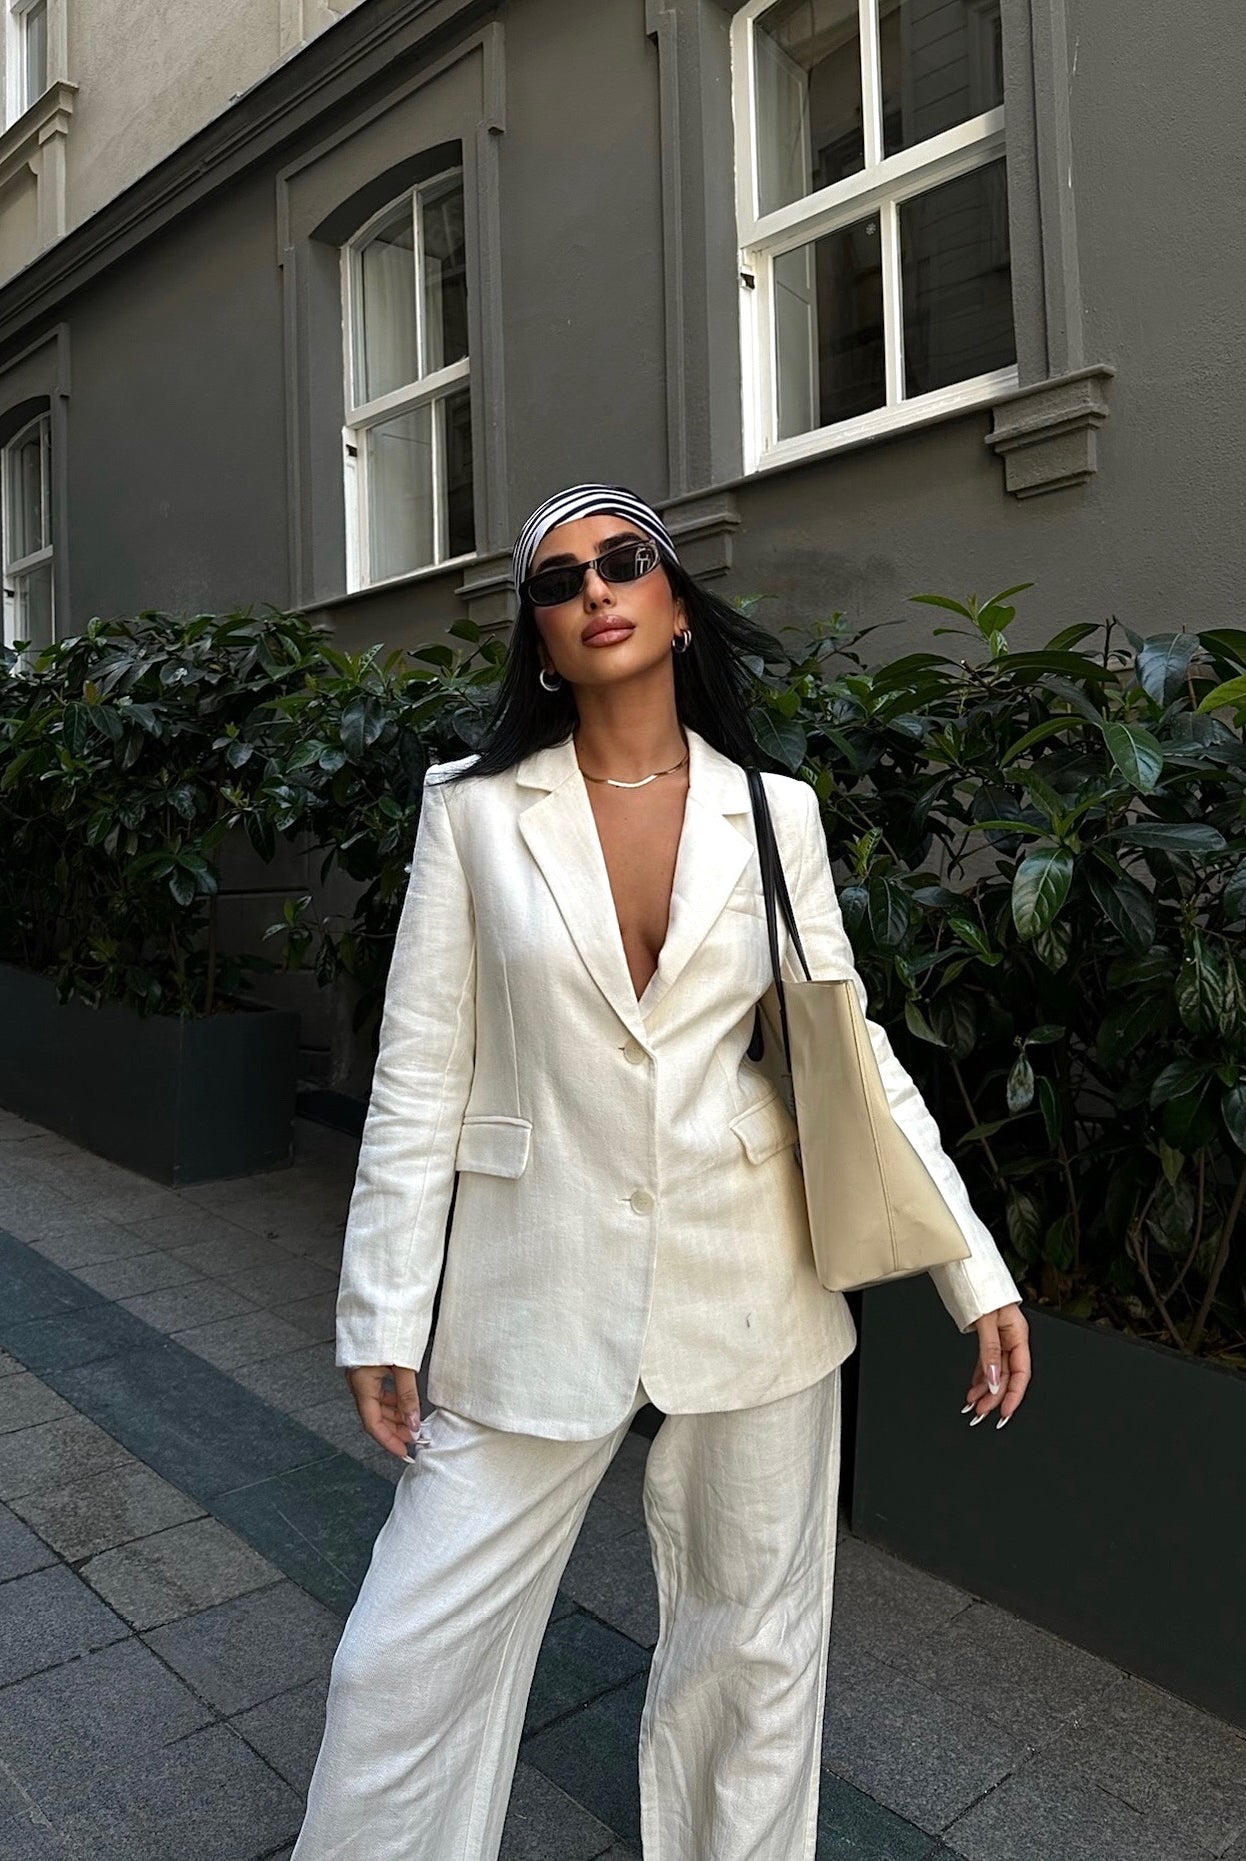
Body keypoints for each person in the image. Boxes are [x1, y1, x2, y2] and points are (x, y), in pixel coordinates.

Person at [290, 483, 1031, 1861]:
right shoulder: (471, 811)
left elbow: (845, 1047)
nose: (593, 589)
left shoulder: (773, 812)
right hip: (529, 1282)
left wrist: (969, 1268)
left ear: (677, 604)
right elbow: (417, 1074)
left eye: (624, 561)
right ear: (538, 637)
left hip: (752, 1277)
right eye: (556, 580)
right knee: (398, 1662)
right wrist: (381, 1310)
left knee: (752, 1658)